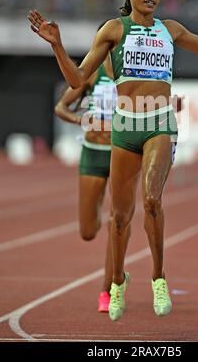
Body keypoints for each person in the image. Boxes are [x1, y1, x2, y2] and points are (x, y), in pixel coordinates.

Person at [28, 0, 198, 321]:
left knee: (152, 199)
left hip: (159, 123)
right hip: (125, 127)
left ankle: (158, 278)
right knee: (120, 217)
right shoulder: (113, 30)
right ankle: (117, 281)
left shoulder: (169, 29)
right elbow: (77, 79)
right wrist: (57, 45)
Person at [54, 46, 121, 312]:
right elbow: (61, 107)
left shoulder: (133, 72)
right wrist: (81, 121)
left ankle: (107, 290)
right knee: (88, 232)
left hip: (122, 155)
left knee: (116, 225)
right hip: (93, 153)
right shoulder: (93, 73)